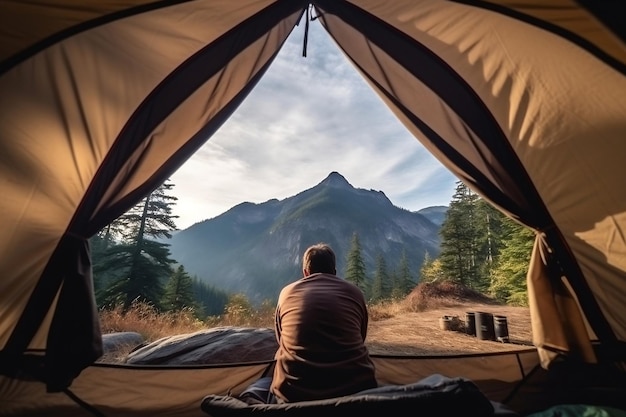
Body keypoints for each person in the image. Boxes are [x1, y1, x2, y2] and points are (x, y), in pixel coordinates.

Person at [239, 243, 377, 404]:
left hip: (293, 398)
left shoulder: (287, 293)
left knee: (259, 386)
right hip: (357, 393)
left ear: (305, 273)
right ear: (334, 272)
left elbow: (281, 341)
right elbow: (361, 337)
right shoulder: (355, 292)